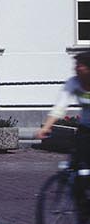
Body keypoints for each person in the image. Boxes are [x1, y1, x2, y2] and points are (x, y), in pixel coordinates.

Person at [37, 48, 90, 181]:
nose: (76, 69)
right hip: (85, 129)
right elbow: (60, 107)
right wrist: (46, 127)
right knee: (79, 166)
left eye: (80, 66)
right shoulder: (74, 82)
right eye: (76, 65)